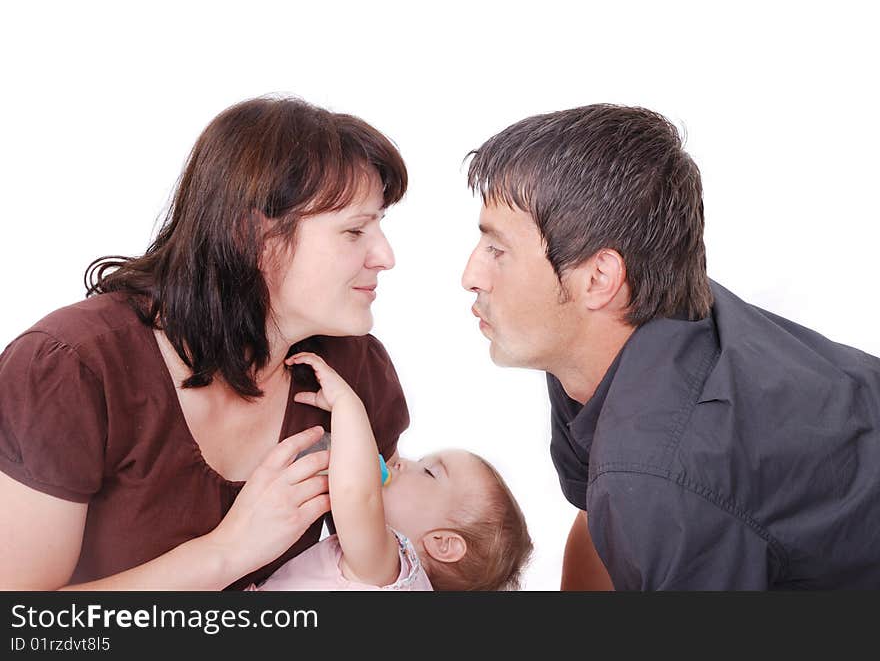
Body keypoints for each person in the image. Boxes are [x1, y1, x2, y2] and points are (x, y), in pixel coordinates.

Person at [460, 104, 880, 590]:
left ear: (599, 278)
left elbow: (641, 494)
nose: (471, 276)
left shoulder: (663, 474)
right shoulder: (614, 340)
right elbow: (600, 519)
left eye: (498, 251)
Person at [0, 95, 411, 590]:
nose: (384, 256)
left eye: (381, 225)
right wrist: (226, 553)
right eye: (354, 231)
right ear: (252, 236)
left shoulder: (351, 372)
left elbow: (392, 570)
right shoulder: (71, 369)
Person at [248, 352, 532, 591]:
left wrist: (347, 405)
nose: (403, 462)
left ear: (442, 544)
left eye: (428, 472)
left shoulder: (391, 569)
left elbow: (357, 497)